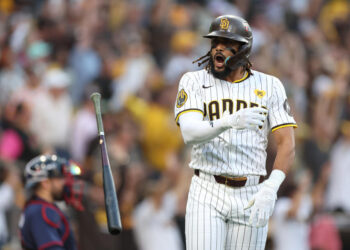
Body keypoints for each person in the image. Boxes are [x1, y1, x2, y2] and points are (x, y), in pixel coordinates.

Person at [174, 15, 297, 249]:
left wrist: (271, 187)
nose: (218, 48)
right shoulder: (193, 81)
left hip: (250, 191)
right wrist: (228, 121)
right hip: (207, 188)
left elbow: (287, 143)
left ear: (244, 49)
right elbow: (189, 133)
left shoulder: (269, 85)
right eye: (215, 42)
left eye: (227, 43)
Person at [19, 154, 84, 250]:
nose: (66, 182)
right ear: (45, 183)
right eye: (60, 178)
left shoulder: (37, 207)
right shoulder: (41, 212)